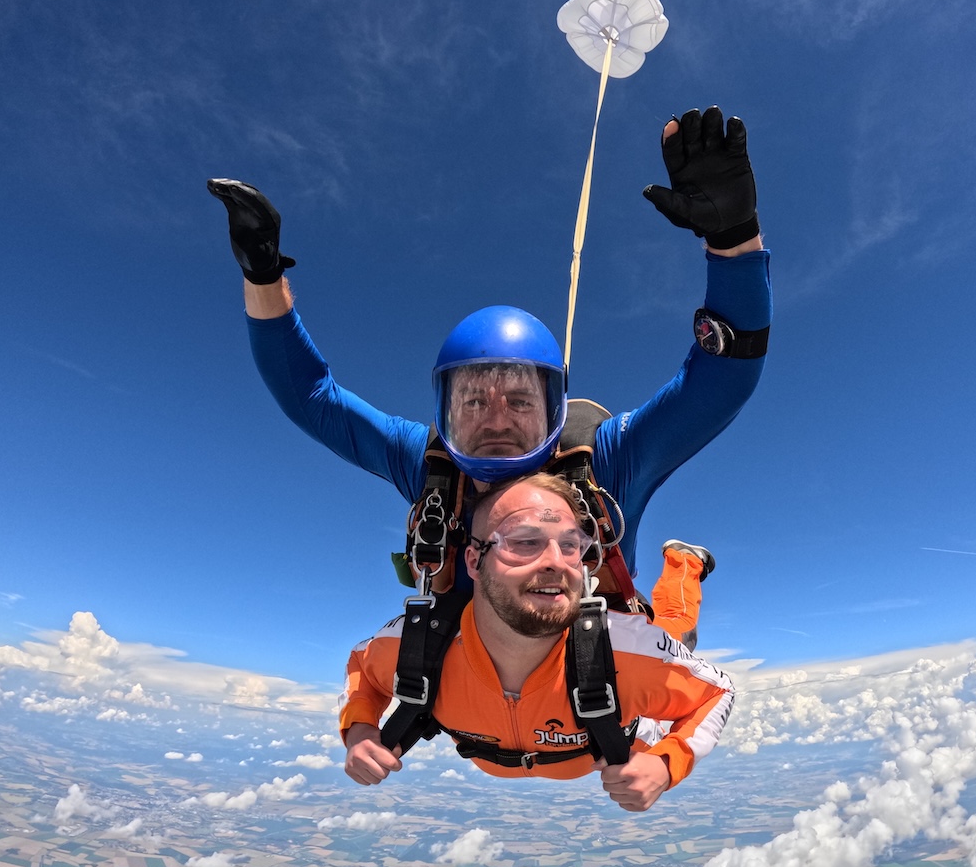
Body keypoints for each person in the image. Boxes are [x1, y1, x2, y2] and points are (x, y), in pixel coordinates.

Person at [208, 106, 772, 649]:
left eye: (520, 401)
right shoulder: (430, 464)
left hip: (607, 665)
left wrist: (734, 241)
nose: (497, 420)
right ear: (445, 410)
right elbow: (312, 399)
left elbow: (721, 381)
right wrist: (262, 275)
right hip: (494, 686)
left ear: (555, 410)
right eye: (474, 401)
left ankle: (684, 564)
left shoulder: (606, 463)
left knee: (673, 630)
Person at [338, 474, 735, 811]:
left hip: (622, 667)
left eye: (570, 545)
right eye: (524, 541)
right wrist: (359, 728)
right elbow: (362, 666)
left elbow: (718, 691)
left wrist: (666, 763)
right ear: (474, 561)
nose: (556, 562)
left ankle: (685, 563)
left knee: (675, 628)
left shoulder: (629, 652)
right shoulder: (417, 644)